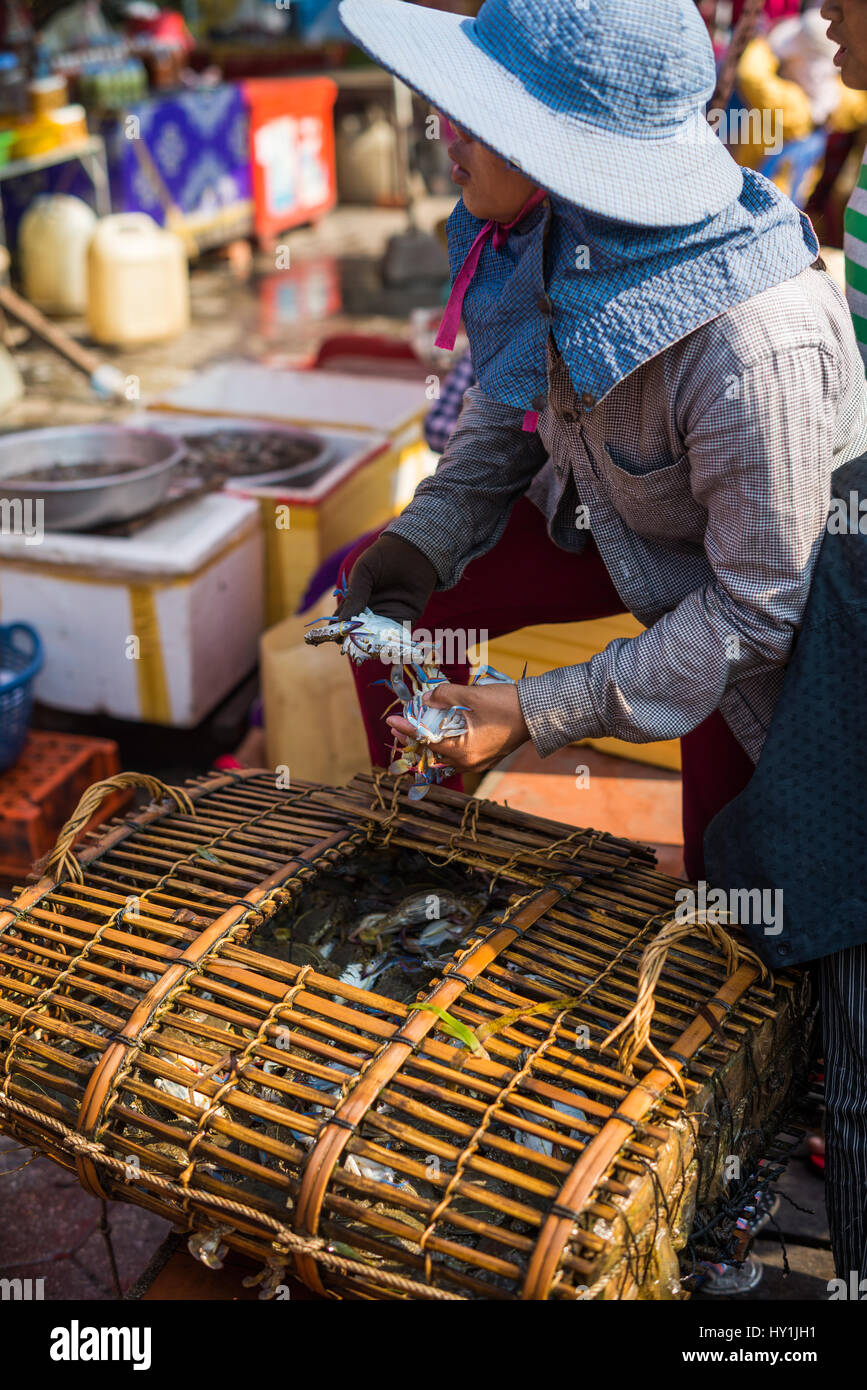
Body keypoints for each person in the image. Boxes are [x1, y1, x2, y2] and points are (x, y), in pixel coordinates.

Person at [333, 0, 867, 1284]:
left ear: (567, 151)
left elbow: (759, 612)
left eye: (476, 115)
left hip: (829, 687)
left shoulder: (754, 344)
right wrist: (415, 549)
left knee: (845, 1026)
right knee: (740, 927)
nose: (437, 131)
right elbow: (507, 428)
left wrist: (533, 707)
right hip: (711, 653)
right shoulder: (554, 245)